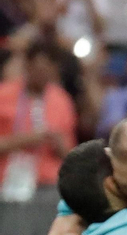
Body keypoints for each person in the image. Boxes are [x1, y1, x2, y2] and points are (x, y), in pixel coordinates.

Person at [0, 40, 76, 201]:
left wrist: (59, 143)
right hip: (6, 180)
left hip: (47, 184)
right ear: (27, 65)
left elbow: (70, 155)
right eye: (38, 69)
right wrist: (27, 139)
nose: (42, 75)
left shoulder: (62, 100)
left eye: (47, 70)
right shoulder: (3, 95)